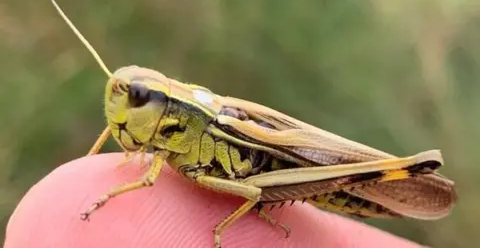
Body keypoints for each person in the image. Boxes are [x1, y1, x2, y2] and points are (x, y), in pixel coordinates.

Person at [4, 153, 422, 248]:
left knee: (251, 186)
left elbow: (252, 187)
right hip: (271, 178)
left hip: (312, 174)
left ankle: (408, 169)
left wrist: (221, 232)